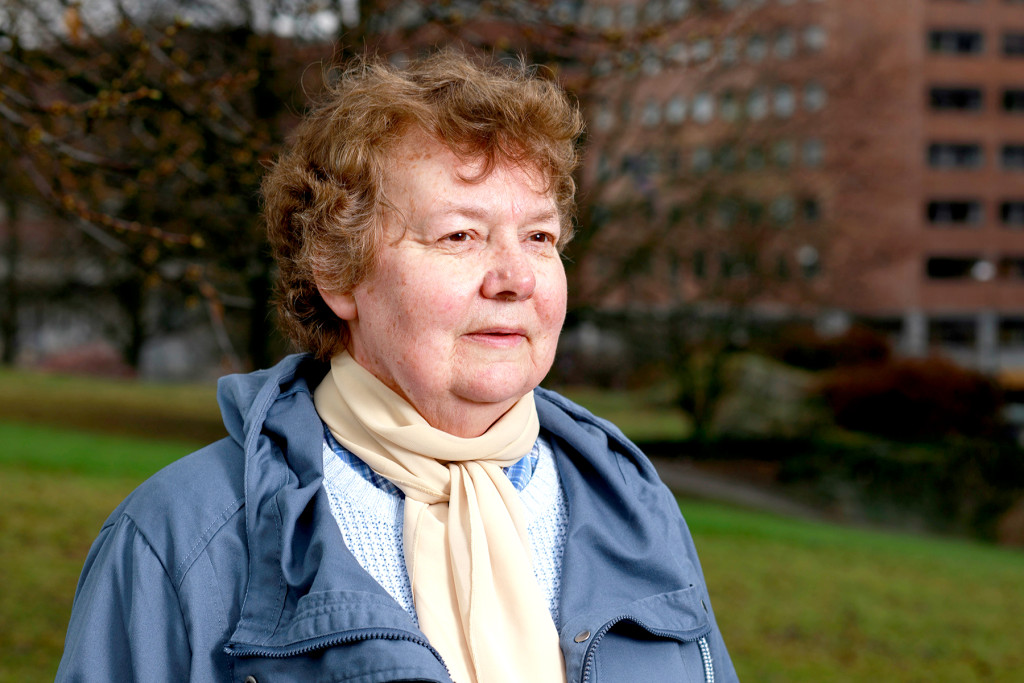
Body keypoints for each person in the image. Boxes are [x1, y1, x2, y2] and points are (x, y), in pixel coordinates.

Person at [57, 51, 738, 683]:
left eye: (539, 236)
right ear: (337, 271)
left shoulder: (634, 508)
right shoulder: (180, 538)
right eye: (460, 235)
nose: (516, 278)